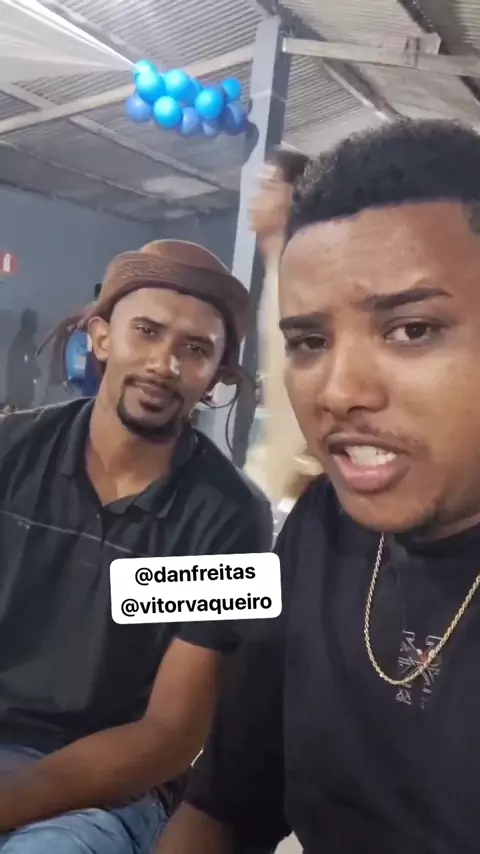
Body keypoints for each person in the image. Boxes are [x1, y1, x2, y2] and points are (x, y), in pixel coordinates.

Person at [157, 119, 480, 854]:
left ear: (223, 375)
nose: (338, 391)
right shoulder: (325, 527)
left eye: (412, 330)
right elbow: (225, 800)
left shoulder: (227, 505)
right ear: (98, 337)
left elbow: (169, 723)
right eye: (308, 342)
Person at [0, 239, 272, 852]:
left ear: (216, 378)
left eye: (195, 349)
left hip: (112, 793)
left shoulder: (234, 520)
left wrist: (12, 801)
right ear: (100, 338)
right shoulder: (9, 454)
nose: (163, 364)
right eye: (146, 331)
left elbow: (169, 736)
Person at [244, 148, 322, 509]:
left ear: (294, 196)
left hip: (300, 475)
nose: (256, 198)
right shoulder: (274, 276)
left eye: (269, 186)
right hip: (277, 469)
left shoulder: (307, 285)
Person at [6, 309, 40, 410]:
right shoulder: (21, 343)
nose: (36, 325)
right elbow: (20, 367)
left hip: (23, 397)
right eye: (34, 321)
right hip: (20, 398)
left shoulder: (26, 342)